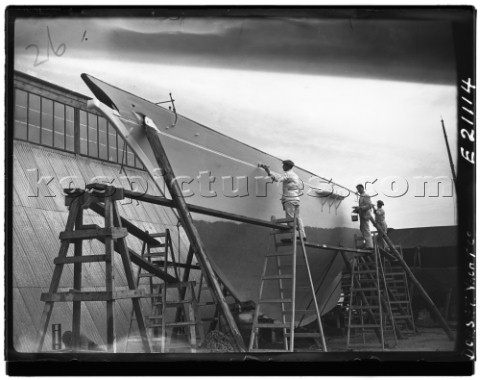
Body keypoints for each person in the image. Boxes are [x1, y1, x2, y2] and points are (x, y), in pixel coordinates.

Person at [259, 159, 306, 240]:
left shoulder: (288, 174)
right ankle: (302, 235)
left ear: (287, 166)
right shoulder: (295, 175)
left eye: (283, 165)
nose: (282, 166)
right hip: (296, 199)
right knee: (298, 218)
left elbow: (278, 179)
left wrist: (268, 171)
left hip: (289, 200)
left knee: (290, 220)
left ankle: (294, 237)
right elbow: (281, 176)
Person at [353, 184, 374, 249]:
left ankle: (369, 245)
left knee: (366, 229)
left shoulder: (366, 195)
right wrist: (358, 209)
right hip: (362, 214)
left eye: (359, 189)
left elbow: (369, 205)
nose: (358, 190)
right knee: (362, 229)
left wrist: (360, 208)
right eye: (357, 189)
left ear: (362, 188)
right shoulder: (361, 196)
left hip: (366, 215)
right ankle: (367, 244)